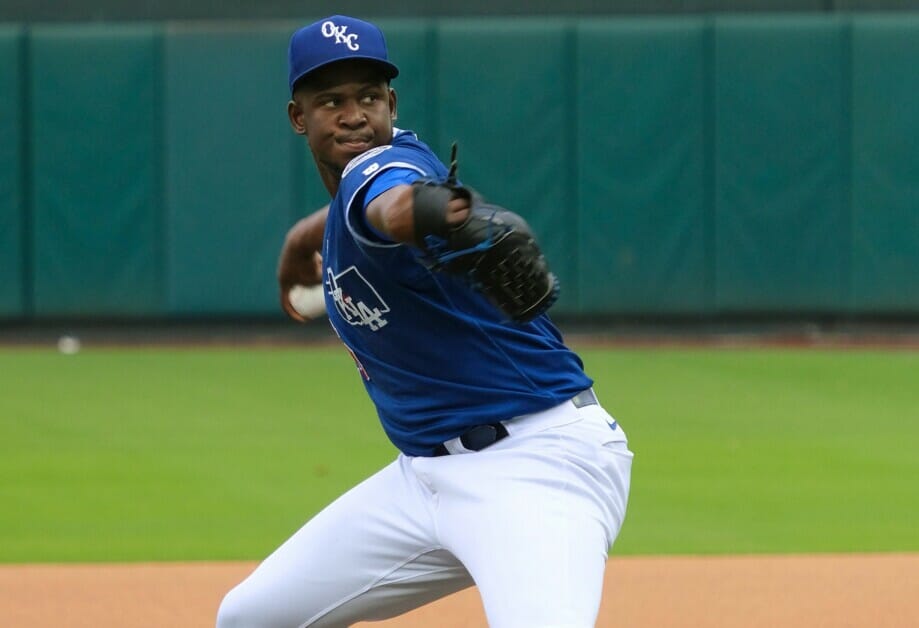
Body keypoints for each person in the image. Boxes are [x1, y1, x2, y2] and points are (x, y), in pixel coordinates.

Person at [217, 15, 633, 628]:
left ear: (391, 104)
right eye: (331, 101)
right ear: (298, 117)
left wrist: (447, 214)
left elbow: (391, 202)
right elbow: (359, 209)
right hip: (423, 480)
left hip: (537, 462)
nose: (353, 115)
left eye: (368, 97)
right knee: (250, 618)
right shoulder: (353, 195)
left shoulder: (389, 168)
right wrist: (301, 240)